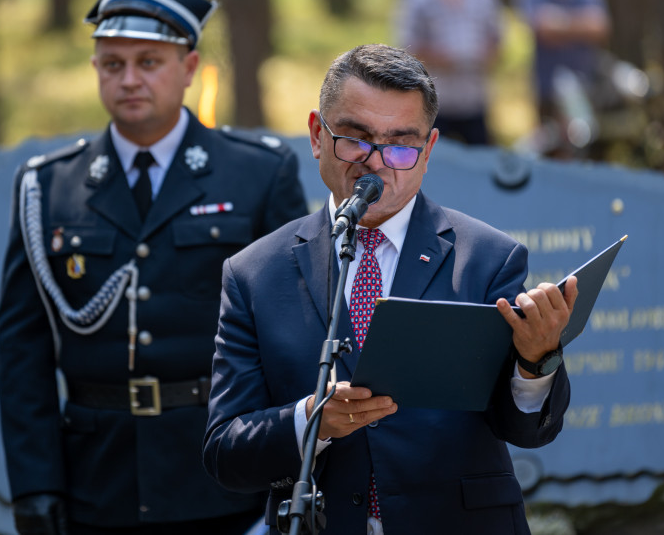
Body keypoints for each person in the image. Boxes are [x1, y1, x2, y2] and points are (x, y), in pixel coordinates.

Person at [203, 44, 578, 534]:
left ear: (428, 151)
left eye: (401, 146)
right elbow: (225, 451)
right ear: (318, 134)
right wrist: (310, 423)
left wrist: (536, 361)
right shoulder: (254, 273)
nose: (376, 163)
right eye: (355, 140)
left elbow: (526, 429)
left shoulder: (487, 258)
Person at [0, 0, 308, 535]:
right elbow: (23, 354)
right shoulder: (49, 187)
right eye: (113, 64)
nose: (130, 79)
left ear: (188, 68)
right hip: (96, 482)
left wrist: (289, 477)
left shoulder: (257, 175)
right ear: (95, 69)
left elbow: (291, 336)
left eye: (148, 62)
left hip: (222, 475)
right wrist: (35, 486)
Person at [394, 0, 503, 145]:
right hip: (434, 99)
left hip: (475, 96)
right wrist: (442, 58)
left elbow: (497, 36)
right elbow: (406, 45)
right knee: (433, 161)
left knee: (478, 159)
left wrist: (487, 55)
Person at [519, 0, 610, 126]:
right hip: (547, 89)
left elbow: (599, 28)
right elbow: (544, 30)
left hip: (588, 83)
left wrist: (560, 22)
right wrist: (581, 24)